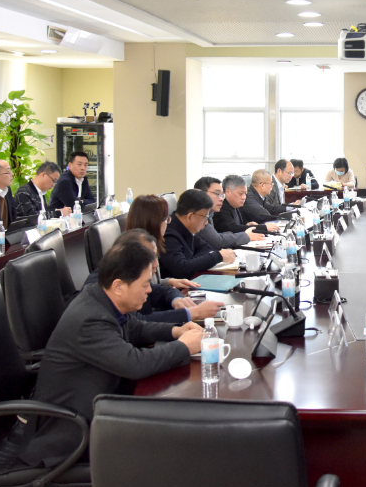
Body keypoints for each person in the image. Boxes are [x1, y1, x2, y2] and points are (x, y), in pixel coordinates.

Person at [15, 238, 203, 468]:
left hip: (100, 405)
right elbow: (134, 364)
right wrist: (184, 346)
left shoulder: (101, 299)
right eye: (145, 284)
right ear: (118, 286)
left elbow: (136, 328)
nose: (149, 290)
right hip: (73, 433)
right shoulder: (90, 319)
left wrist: (176, 331)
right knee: (171, 441)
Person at [80, 229, 222, 324]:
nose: (156, 264)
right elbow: (139, 322)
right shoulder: (101, 285)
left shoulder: (130, 275)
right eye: (149, 257)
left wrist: (177, 300)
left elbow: (160, 291)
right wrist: (192, 313)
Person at [161, 189, 235, 279]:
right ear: (190, 216)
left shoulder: (186, 228)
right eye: (205, 217)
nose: (206, 222)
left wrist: (191, 262)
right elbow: (181, 270)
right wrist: (218, 256)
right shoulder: (169, 235)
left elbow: (206, 248)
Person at [193, 176, 263, 250]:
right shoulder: (197, 215)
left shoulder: (210, 213)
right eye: (217, 194)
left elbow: (216, 237)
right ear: (201, 194)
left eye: (221, 195)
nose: (221, 199)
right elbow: (217, 241)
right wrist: (246, 235)